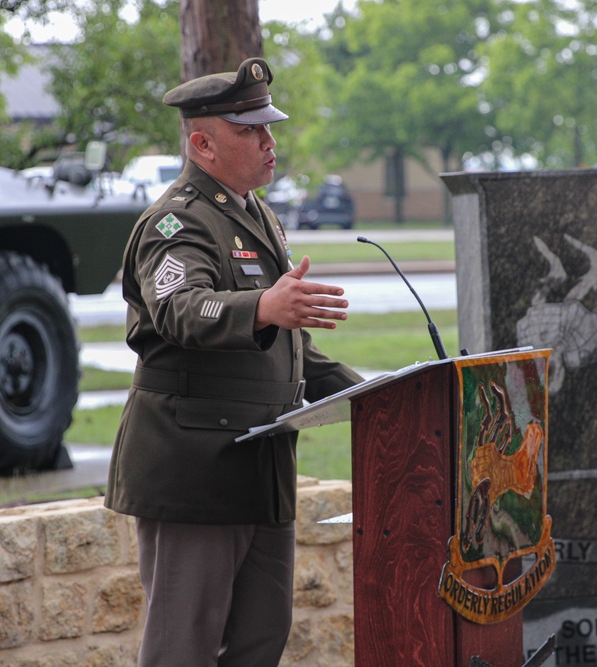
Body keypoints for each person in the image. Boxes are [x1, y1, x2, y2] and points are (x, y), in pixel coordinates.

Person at [104, 57, 363, 667]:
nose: (270, 143)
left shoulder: (254, 214)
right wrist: (264, 305)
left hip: (258, 470)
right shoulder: (177, 221)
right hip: (196, 472)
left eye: (269, 128)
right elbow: (180, 309)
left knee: (259, 641)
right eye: (251, 130)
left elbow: (293, 347)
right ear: (203, 143)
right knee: (182, 648)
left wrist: (381, 393)